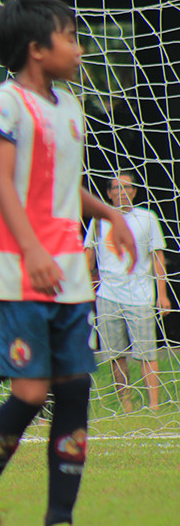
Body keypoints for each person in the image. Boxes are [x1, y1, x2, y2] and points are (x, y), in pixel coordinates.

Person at [0, 0, 136, 526]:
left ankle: (59, 517)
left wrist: (108, 212)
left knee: (77, 386)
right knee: (32, 392)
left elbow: (64, 187)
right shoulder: (5, 103)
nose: (80, 49)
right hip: (17, 267)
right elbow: (5, 186)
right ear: (37, 49)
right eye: (71, 37)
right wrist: (33, 250)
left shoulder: (71, 108)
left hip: (67, 270)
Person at [84, 172, 171, 411]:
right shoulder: (100, 219)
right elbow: (89, 252)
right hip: (108, 295)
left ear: (134, 191)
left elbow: (157, 256)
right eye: (116, 188)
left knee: (147, 352)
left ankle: (154, 405)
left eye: (126, 187)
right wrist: (87, 281)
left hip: (140, 295)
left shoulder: (147, 217)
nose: (121, 192)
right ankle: (127, 404)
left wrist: (162, 294)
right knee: (115, 354)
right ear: (109, 193)